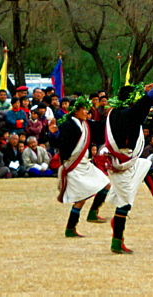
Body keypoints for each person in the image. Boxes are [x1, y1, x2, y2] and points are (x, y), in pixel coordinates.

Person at [101, 84, 153, 254]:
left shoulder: (118, 112)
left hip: (129, 160)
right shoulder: (124, 114)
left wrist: (145, 95)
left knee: (145, 164)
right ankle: (117, 242)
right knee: (124, 205)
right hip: (121, 162)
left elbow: (138, 110)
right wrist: (148, 96)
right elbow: (138, 111)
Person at [46, 97, 111, 239]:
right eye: (83, 109)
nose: (86, 112)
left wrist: (110, 116)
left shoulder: (86, 125)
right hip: (73, 165)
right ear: (75, 112)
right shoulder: (67, 126)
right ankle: (70, 228)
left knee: (106, 184)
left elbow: (101, 128)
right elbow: (58, 142)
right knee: (81, 199)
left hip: (85, 163)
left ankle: (93, 212)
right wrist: (52, 133)